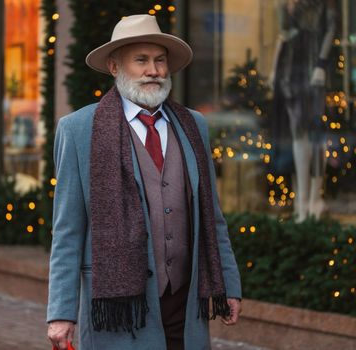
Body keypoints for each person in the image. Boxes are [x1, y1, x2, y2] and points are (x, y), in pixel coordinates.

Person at [47, 14, 242, 350]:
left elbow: (214, 218)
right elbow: (67, 231)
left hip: (185, 301)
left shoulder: (194, 126)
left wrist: (228, 285)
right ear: (114, 67)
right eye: (141, 60)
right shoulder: (78, 129)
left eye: (160, 60)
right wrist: (61, 313)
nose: (154, 70)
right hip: (121, 307)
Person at [269, 0, 337, 221]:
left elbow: (331, 29)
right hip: (290, 67)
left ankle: (314, 198)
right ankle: (301, 202)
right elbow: (285, 31)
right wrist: (274, 68)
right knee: (297, 135)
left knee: (314, 134)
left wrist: (321, 63)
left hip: (312, 63)